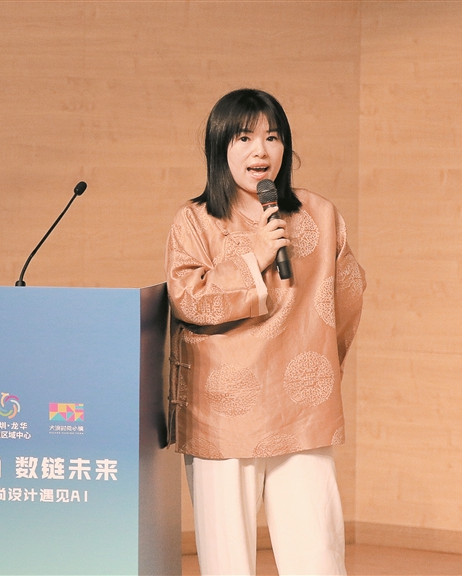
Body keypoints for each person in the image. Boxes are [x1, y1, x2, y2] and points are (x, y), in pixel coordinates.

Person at [165, 88, 365, 575]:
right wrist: (251, 259)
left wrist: (317, 369)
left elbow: (347, 298)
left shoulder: (320, 215)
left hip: (301, 408)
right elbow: (187, 299)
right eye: (244, 138)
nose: (261, 150)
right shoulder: (195, 221)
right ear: (219, 146)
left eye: (272, 137)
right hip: (223, 412)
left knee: (317, 554)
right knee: (227, 559)